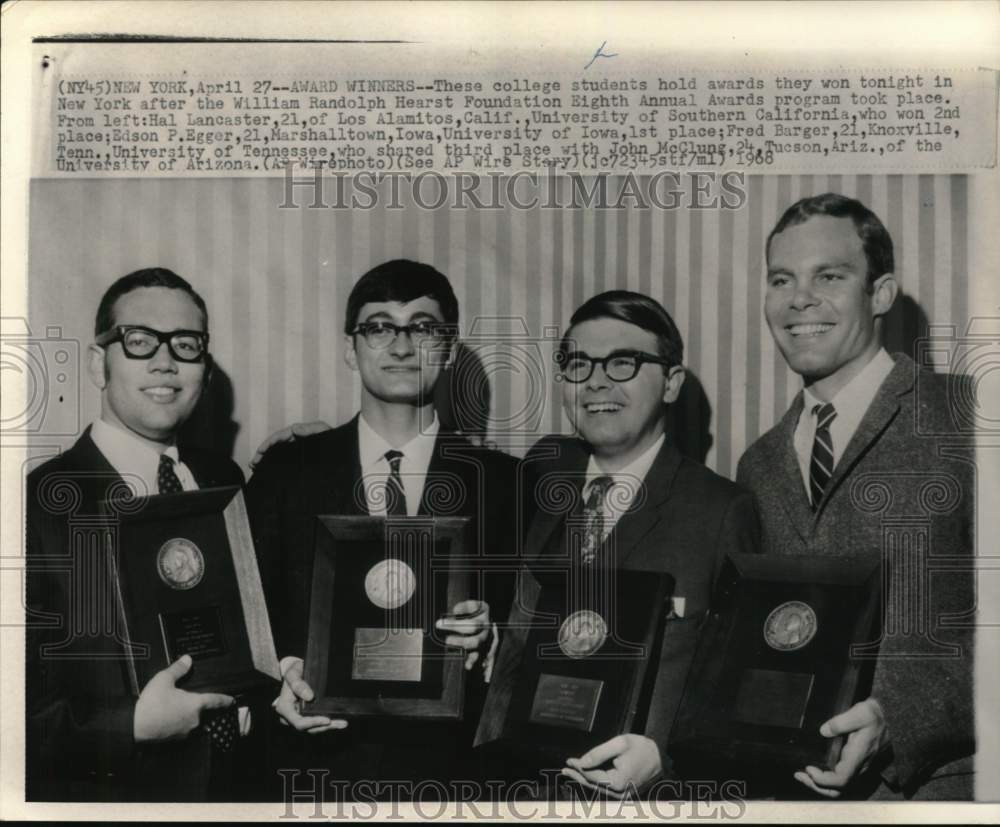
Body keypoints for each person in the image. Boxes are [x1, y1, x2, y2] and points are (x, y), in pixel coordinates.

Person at [245, 259, 522, 798]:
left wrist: (492, 644)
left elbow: (530, 634)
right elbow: (247, 610)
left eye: (422, 327)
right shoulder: (287, 471)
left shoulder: (506, 486)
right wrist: (276, 679)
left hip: (452, 779)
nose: (400, 346)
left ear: (447, 348)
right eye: (378, 326)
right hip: (308, 771)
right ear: (351, 348)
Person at [737, 193, 975, 799]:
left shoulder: (968, 416)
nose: (799, 299)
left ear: (881, 293)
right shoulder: (758, 463)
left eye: (830, 276)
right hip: (789, 793)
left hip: (941, 790)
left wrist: (898, 716)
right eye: (781, 279)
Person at [25, 267, 259, 802]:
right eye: (138, 341)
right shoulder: (33, 506)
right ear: (96, 364)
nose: (164, 361)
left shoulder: (228, 481)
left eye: (186, 344)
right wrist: (129, 726)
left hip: (246, 790)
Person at [519, 290, 760, 797]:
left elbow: (739, 685)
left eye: (623, 362)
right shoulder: (539, 490)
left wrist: (664, 756)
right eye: (579, 364)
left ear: (671, 383)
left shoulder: (721, 511)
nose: (598, 381)